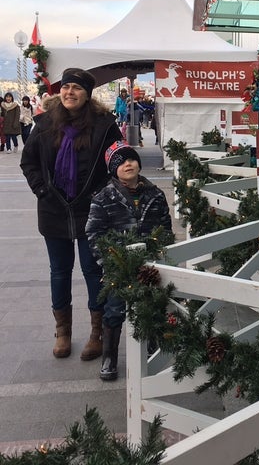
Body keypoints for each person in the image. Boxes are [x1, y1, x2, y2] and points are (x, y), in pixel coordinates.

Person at [20, 68, 122, 360]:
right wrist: (41, 189)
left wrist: (102, 193)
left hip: (92, 211)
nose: (69, 93)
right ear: (59, 92)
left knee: (93, 271)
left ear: (87, 94)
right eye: (66, 88)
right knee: (59, 272)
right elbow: (29, 163)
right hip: (53, 209)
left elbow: (118, 160)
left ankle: (96, 333)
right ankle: (63, 331)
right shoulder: (44, 125)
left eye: (76, 88)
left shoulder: (104, 126)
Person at [86, 141, 173, 380]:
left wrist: (163, 254)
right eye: (121, 162)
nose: (128, 164)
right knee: (114, 310)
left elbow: (165, 227)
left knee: (152, 305)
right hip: (119, 267)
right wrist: (108, 262)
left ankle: (153, 352)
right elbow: (94, 233)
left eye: (131, 159)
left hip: (150, 265)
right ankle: (109, 356)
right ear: (113, 169)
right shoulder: (103, 198)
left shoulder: (155, 194)